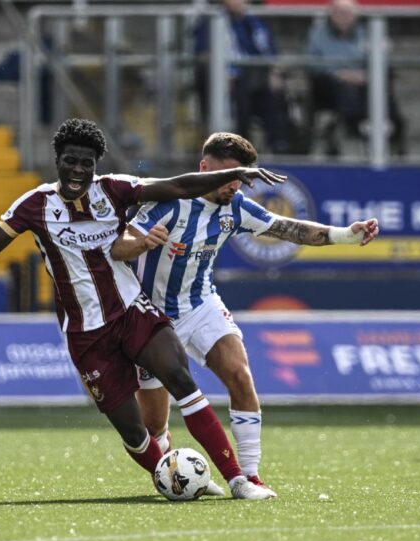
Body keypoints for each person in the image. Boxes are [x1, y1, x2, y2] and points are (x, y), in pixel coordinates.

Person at [0, 118, 286, 499]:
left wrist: (234, 173)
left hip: (133, 311)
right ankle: (177, 477)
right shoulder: (33, 205)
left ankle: (237, 479)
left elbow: (178, 186)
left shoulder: (113, 190)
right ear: (57, 161)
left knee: (181, 380)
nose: (78, 170)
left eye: (86, 163)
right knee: (135, 432)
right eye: (70, 161)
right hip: (86, 332)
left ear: (96, 164)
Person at [110, 131, 379, 493]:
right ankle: (178, 472)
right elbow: (117, 246)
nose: (235, 185)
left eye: (241, 177)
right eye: (228, 175)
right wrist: (141, 242)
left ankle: (248, 477)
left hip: (201, 304)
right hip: (153, 317)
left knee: (240, 374)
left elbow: (290, 229)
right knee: (154, 422)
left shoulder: (235, 207)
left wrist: (347, 235)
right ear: (204, 168)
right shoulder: (169, 202)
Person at [305, 0, 407, 156]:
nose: (343, 17)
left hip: (362, 80)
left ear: (356, 15)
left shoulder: (365, 34)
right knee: (346, 88)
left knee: (379, 84)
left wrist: (366, 75)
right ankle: (354, 126)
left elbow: (379, 60)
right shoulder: (318, 35)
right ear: (331, 15)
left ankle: (391, 125)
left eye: (347, 12)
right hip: (330, 83)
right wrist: (339, 74)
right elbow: (312, 64)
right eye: (338, 12)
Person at [193, 0, 294, 154]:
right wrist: (224, 74)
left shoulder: (255, 21)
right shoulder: (211, 21)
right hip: (230, 80)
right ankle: (241, 148)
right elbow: (202, 55)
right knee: (243, 92)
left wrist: (274, 71)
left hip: (258, 78)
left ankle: (281, 147)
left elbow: (271, 53)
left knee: (276, 94)